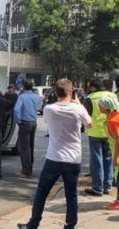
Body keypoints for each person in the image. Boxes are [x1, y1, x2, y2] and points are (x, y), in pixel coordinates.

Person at [17, 79, 92, 229]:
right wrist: (78, 103)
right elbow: (89, 124)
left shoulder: (49, 109)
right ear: (71, 92)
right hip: (73, 158)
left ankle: (33, 224)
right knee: (71, 194)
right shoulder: (79, 109)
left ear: (56, 92)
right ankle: (70, 225)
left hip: (54, 157)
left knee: (42, 192)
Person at [84, 78, 119, 196]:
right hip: (110, 131)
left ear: (94, 87)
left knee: (96, 160)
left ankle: (97, 187)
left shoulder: (90, 98)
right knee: (108, 159)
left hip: (94, 132)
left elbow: (85, 116)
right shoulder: (113, 96)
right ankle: (107, 186)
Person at [14, 80, 41, 178]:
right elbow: (39, 106)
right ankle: (29, 168)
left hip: (25, 123)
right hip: (33, 122)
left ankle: (25, 170)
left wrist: (18, 120)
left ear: (23, 87)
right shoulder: (35, 96)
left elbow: (16, 110)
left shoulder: (22, 96)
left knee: (24, 147)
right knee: (30, 146)